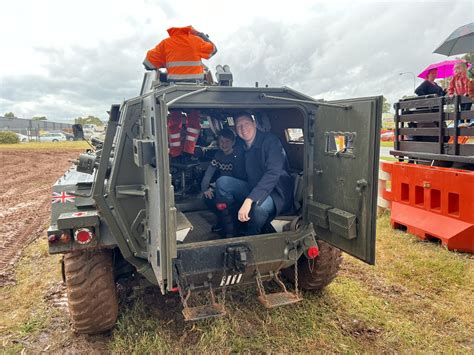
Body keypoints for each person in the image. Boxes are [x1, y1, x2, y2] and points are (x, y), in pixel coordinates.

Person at [214, 113, 294, 237]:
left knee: (258, 208)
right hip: (252, 187)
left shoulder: (271, 141)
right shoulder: (240, 146)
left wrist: (249, 200)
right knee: (222, 182)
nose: (243, 128)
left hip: (275, 193)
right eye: (239, 125)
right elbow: (237, 172)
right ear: (235, 130)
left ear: (254, 124)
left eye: (246, 123)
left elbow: (272, 174)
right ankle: (234, 226)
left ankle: (251, 236)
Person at [143, 26, 217, 157]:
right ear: (188, 30)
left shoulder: (165, 43)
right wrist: (201, 35)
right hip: (195, 91)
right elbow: (213, 50)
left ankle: (175, 152)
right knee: (194, 122)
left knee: (174, 122)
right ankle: (189, 151)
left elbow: (148, 64)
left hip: (174, 91)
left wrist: (164, 62)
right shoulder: (195, 40)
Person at [201, 128, 246, 233]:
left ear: (233, 142)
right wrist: (206, 189)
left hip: (234, 188)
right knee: (207, 197)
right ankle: (222, 220)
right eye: (221, 141)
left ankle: (233, 226)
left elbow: (238, 177)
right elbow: (208, 174)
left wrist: (215, 187)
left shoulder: (237, 156)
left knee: (224, 198)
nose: (224, 144)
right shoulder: (218, 155)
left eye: (227, 141)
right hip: (221, 186)